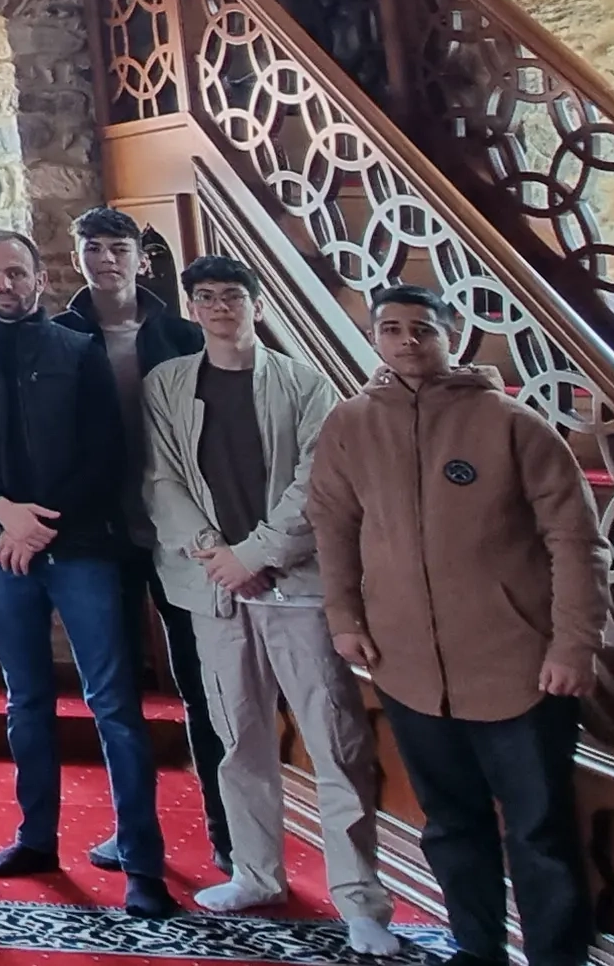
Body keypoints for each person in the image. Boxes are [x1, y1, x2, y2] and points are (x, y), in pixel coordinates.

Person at [313, 283, 607, 966]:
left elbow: (575, 540)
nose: (407, 341)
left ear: (452, 337)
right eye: (391, 328)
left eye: (423, 329)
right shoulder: (350, 424)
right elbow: (332, 525)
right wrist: (344, 616)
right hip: (408, 667)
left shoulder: (511, 424)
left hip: (520, 667)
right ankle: (478, 950)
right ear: (376, 339)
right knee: (450, 827)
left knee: (539, 834)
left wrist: (573, 643)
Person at [144, 257, 398, 953]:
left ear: (256, 304)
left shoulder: (304, 382)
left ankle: (361, 901)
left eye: (233, 295)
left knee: (335, 742)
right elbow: (160, 478)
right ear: (191, 308)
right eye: (206, 297)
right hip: (212, 589)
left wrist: (254, 555)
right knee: (238, 737)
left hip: (296, 585)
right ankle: (257, 872)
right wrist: (215, 553)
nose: (220, 306)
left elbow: (320, 481)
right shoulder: (166, 384)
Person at [0, 231, 173, 913]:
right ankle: (36, 837)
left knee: (114, 708)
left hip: (80, 547)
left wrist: (40, 521)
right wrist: (3, 513)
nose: (3, 284)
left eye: (15, 271)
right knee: (26, 703)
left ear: (38, 277)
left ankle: (142, 863)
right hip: (2, 548)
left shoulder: (80, 351)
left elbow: (107, 454)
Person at [59, 204, 228, 866]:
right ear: (79, 258)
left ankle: (226, 831)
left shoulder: (185, 337)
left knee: (201, 684)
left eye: (118, 248)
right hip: (101, 536)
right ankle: (134, 830)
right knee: (117, 690)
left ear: (140, 258)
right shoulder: (61, 337)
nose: (106, 259)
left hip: (184, 535)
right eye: (93, 248)